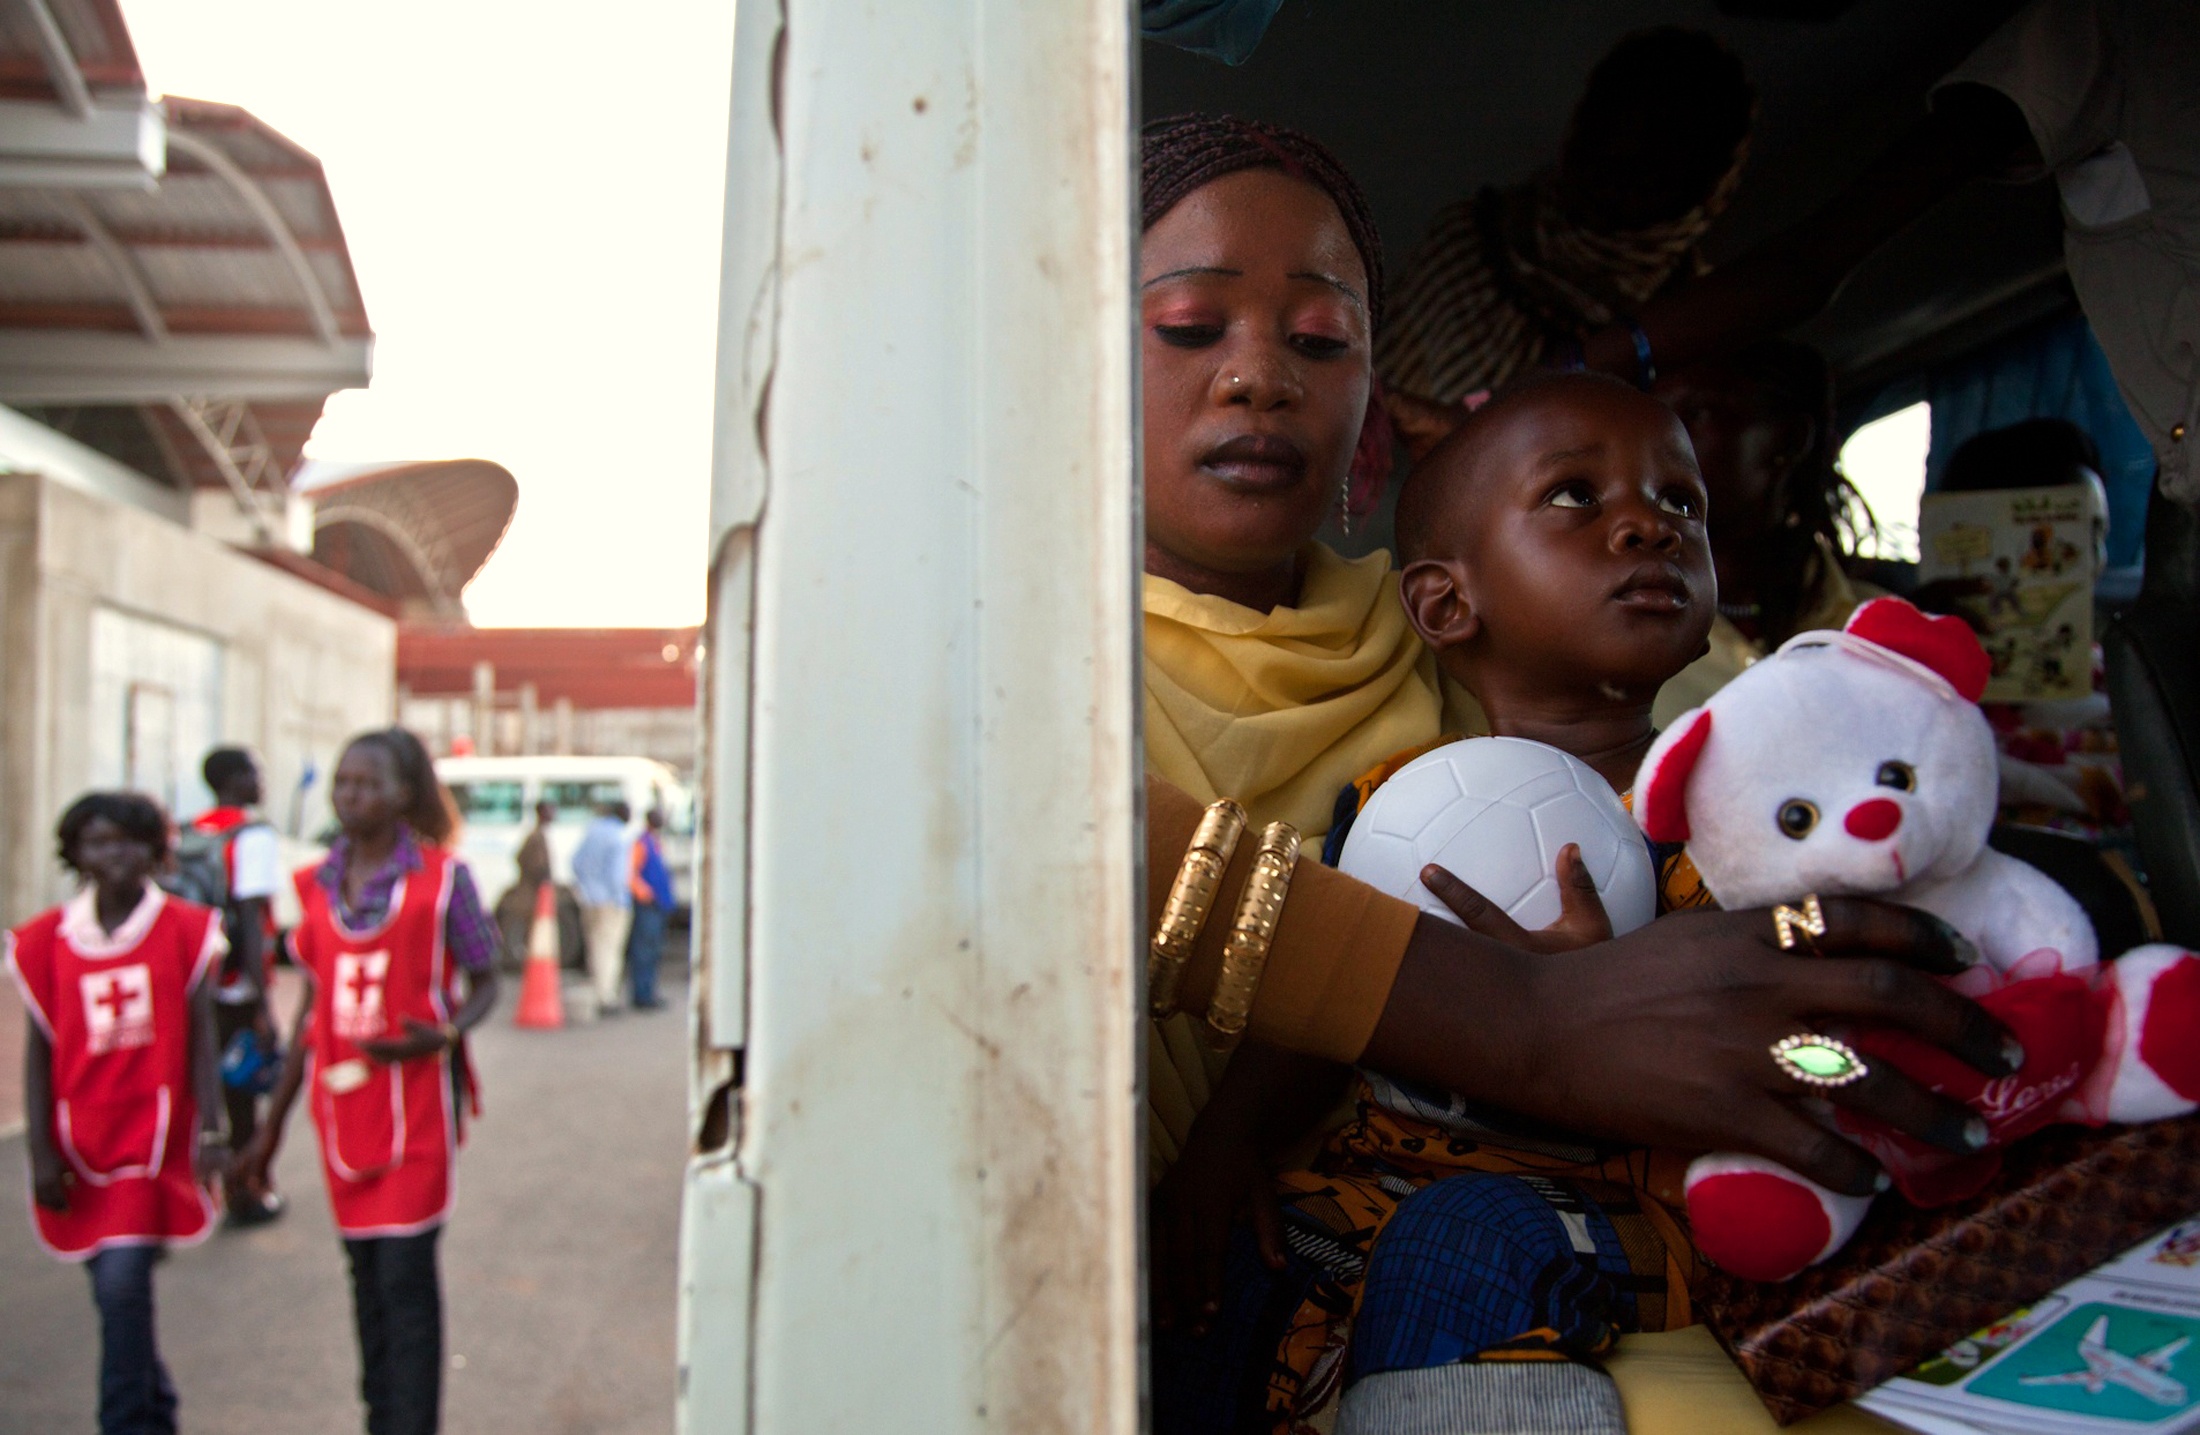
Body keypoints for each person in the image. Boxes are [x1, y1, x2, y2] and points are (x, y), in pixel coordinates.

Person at [1136, 113, 1444, 1175]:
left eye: (1318, 341)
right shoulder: (1011, 667)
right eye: (1186, 326)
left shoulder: (1451, 646)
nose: (1259, 376)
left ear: (1368, 399)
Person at [234, 728, 499, 1435]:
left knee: (405, 1277)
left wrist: (445, 1032)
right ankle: (380, 1415)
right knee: (365, 1278)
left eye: (368, 783)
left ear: (404, 793)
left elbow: (485, 979)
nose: (351, 794)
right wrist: (268, 1132)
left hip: (415, 1107)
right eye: (343, 781)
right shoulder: (316, 885)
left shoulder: (444, 880)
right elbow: (312, 1018)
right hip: (343, 1110)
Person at [1379, 28, 1755, 439]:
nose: (1611, 176)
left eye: (1645, 168)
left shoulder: (1689, 333)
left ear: (1701, 190)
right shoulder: (1469, 242)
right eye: (1601, 141)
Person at [9, 792, 226, 1435]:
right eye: (99, 842)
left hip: (155, 1139)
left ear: (157, 852)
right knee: (113, 1294)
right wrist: (41, 1152)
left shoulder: (185, 929)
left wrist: (215, 1128)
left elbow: (203, 1037)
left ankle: (127, 1422)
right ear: (75, 852)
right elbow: (39, 1055)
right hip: (81, 1143)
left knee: (123, 1285)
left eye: (130, 841)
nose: (115, 855)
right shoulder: (46, 941)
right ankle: (155, 1409)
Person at [1649, 341, 1883, 726]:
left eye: (1697, 413)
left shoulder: (1878, 633)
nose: (1660, 442)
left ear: (1789, 440)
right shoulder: (1599, 632)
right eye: (1655, 418)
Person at [189, 746, 287, 1225]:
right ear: (233, 779)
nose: (262, 780)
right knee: (242, 1089)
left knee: (199, 1083)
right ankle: (244, 1191)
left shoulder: (193, 832)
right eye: (255, 770)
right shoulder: (251, 835)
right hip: (234, 986)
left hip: (194, 983)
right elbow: (249, 918)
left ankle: (197, 1190)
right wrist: (263, 1003)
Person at [570, 800, 634, 1015]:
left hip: (590, 899)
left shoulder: (593, 831)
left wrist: (586, 889)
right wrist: (617, 899)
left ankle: (598, 991)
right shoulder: (618, 836)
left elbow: (576, 862)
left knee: (595, 946)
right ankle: (606, 997)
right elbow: (618, 876)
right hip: (610, 901)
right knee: (609, 948)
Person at [625, 808, 675, 1009]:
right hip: (647, 905)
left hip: (657, 905)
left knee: (653, 950)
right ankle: (641, 994)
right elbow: (631, 873)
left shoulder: (654, 843)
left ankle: (649, 992)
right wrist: (644, 894)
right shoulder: (641, 843)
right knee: (644, 950)